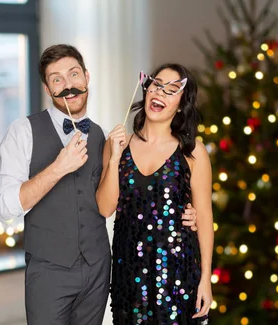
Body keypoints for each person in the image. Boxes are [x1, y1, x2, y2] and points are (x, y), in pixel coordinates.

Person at [0, 45, 198, 325]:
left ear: (87, 77)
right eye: (57, 79)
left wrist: (186, 212)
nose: (68, 86)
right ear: (47, 88)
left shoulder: (103, 136)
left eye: (74, 74)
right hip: (49, 272)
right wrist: (58, 168)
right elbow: (5, 207)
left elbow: (124, 199)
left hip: (98, 271)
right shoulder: (22, 131)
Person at [96, 63, 214, 324]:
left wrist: (205, 278)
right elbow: (105, 209)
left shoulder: (193, 152)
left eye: (171, 90)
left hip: (178, 275)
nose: (159, 92)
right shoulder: (118, 145)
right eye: (156, 84)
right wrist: (114, 159)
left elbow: (204, 216)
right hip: (128, 274)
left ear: (182, 104)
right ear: (146, 88)